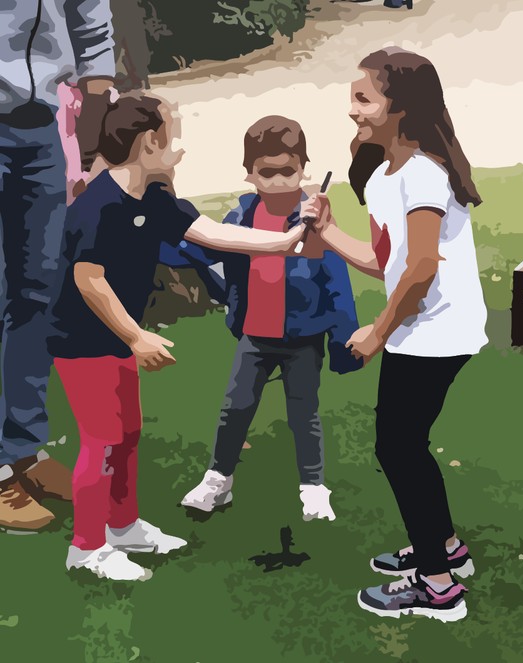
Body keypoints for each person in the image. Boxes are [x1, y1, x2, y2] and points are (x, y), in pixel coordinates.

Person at [50, 94, 304, 581]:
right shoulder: (98, 206)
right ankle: (87, 548)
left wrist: (284, 241)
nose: (180, 149)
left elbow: (211, 232)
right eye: (174, 136)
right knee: (102, 440)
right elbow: (89, 279)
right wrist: (136, 337)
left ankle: (123, 528)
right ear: (149, 142)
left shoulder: (153, 198)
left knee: (127, 434)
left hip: (116, 340)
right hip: (81, 342)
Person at [304, 47, 487, 622]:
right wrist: (327, 229)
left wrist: (378, 333)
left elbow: (422, 268)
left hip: (437, 329)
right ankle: (445, 549)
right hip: (421, 326)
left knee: (399, 447)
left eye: (364, 98)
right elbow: (387, 263)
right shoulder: (388, 175)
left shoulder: (424, 174)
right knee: (406, 445)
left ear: (400, 106)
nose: (352, 110)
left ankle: (437, 587)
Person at [180, 116, 363, 521]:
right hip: (254, 335)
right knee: (235, 409)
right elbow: (211, 251)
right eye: (267, 172)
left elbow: (336, 280)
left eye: (288, 171)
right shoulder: (241, 216)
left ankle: (313, 486)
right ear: (249, 173)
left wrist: (343, 336)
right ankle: (218, 479)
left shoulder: (317, 220)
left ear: (304, 169)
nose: (278, 181)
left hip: (304, 337)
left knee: (304, 413)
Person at [0, 0, 117, 530]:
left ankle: (23, 450)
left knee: (37, 293)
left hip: (40, 127)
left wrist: (96, 120)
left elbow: (90, 15)